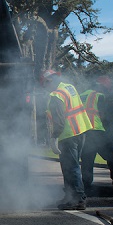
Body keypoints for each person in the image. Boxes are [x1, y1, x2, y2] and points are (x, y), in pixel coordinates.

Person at [41, 70, 93, 210]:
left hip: (68, 134)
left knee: (71, 167)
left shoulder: (56, 95)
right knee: (72, 166)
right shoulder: (69, 87)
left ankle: (78, 199)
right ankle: (70, 196)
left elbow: (59, 121)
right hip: (81, 131)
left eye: (44, 85)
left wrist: (53, 138)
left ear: (49, 81)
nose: (45, 89)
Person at [80, 76, 113, 192]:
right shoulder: (99, 96)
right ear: (102, 87)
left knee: (87, 160)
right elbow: (103, 115)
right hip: (97, 130)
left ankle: (85, 185)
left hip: (83, 132)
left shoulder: (82, 95)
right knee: (112, 158)